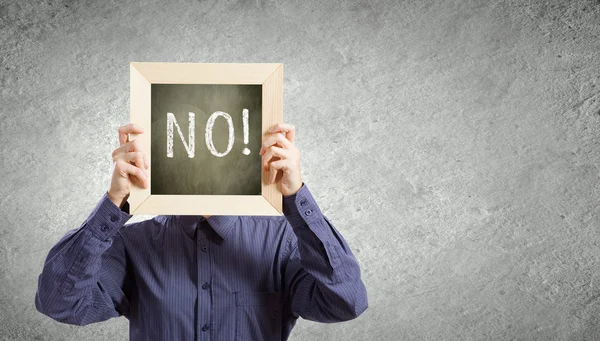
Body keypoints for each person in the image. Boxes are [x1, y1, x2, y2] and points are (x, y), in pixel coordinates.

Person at [34, 122, 368, 340]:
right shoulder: (133, 244)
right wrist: (115, 200)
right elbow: (59, 304)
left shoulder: (283, 241)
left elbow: (346, 302)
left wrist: (295, 198)